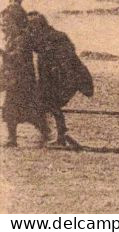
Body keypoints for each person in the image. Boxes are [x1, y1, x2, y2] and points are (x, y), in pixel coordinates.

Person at [27, 13, 90, 150]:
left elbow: (67, 60)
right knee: (49, 104)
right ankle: (59, 134)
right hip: (58, 77)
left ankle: (60, 135)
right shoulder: (45, 37)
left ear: (38, 25)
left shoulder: (55, 38)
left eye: (32, 27)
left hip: (68, 78)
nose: (31, 31)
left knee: (50, 103)